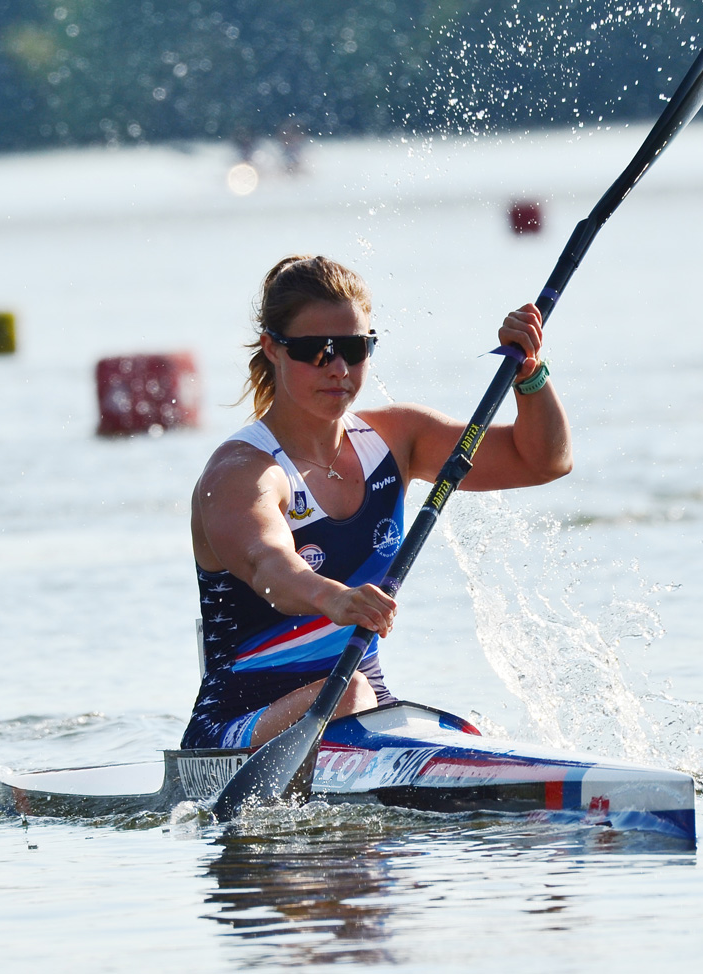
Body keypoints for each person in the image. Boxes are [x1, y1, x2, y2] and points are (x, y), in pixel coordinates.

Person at [182, 255, 571, 750]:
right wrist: (334, 598)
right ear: (273, 349)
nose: (339, 369)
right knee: (351, 694)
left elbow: (542, 461)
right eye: (316, 351)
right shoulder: (241, 472)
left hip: (362, 710)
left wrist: (530, 377)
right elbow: (268, 565)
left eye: (354, 348)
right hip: (235, 729)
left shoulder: (396, 439)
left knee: (458, 729)